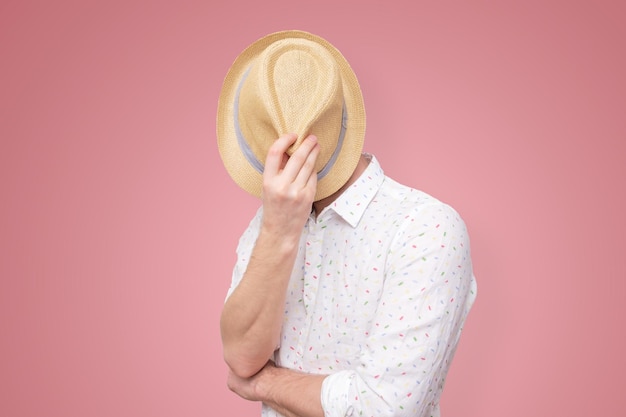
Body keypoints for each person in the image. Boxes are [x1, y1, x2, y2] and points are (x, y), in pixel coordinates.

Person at [216, 30, 477, 417]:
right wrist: (279, 231)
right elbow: (240, 357)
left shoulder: (425, 229)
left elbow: (383, 409)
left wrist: (263, 383)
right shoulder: (266, 227)